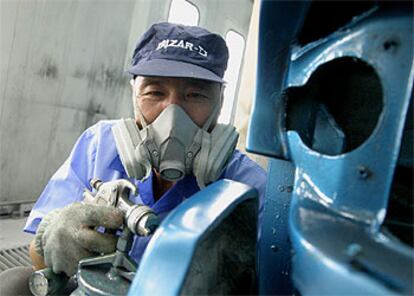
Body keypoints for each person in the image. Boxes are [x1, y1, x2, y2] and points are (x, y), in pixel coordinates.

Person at [0, 22, 266, 294]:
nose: (172, 115)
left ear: (219, 102)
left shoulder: (251, 188)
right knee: (12, 284)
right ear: (134, 94)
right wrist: (57, 237)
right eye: (155, 93)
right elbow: (38, 261)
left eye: (195, 94)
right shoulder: (99, 145)